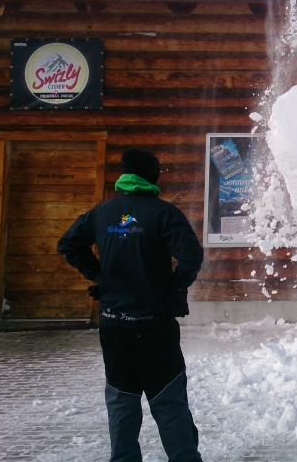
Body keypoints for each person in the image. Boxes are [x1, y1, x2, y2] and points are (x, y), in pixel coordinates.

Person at [58, 148, 204, 462]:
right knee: (168, 400)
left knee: (121, 399)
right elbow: (191, 256)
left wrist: (99, 275)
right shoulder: (163, 213)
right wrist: (174, 288)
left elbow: (68, 243)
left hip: (113, 327)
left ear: (126, 176)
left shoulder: (102, 213)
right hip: (154, 326)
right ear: (152, 177)